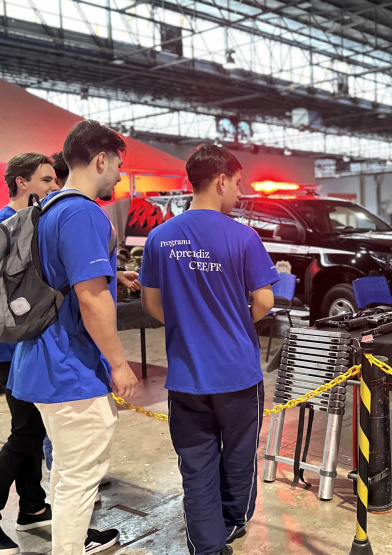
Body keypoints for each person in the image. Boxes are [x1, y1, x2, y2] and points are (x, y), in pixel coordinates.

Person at [140, 145, 277, 555]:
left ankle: (207, 546)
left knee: (196, 465)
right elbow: (264, 301)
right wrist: (234, 322)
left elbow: (150, 302)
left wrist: (188, 324)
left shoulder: (159, 237)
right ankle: (233, 520)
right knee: (238, 456)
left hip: (186, 375)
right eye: (237, 182)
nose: (240, 191)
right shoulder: (243, 236)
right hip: (237, 374)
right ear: (221, 180)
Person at [9, 120, 138, 555]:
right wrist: (119, 364)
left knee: (66, 472)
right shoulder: (83, 212)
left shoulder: (48, 208)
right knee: (81, 478)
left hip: (41, 360)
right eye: (117, 164)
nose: (118, 175)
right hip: (70, 368)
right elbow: (91, 298)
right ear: (101, 159)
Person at [0, 153, 60, 555]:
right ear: (22, 182)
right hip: (9, 345)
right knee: (25, 433)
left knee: (32, 431)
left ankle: (33, 505)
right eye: (46, 179)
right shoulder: (3, 223)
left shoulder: (35, 220)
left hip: (27, 340)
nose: (54, 186)